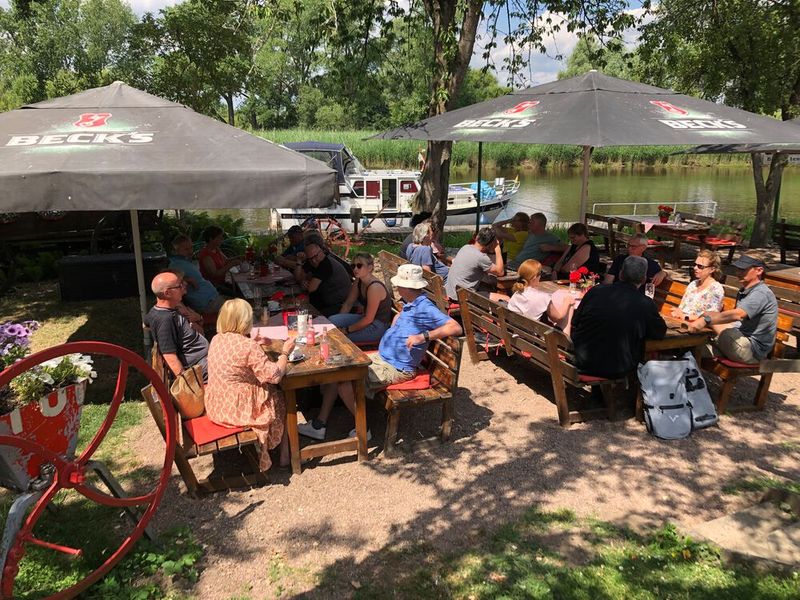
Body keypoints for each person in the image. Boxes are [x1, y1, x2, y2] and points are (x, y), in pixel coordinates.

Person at [298, 264, 462, 441]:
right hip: (382, 359)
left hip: (396, 368)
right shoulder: (411, 303)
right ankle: (319, 425)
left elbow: (455, 327)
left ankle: (363, 428)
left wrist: (423, 336)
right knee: (337, 369)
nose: (397, 288)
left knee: (344, 381)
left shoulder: (424, 307)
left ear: (408, 287)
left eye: (399, 285)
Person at [205, 299, 295, 471]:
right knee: (282, 397)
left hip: (217, 405)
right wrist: (285, 352)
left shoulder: (217, 339)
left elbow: (236, 359)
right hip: (238, 410)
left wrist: (256, 344)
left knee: (273, 391)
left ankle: (283, 452)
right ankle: (286, 455)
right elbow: (274, 375)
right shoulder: (248, 346)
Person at [571, 256, 667, 378]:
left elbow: (576, 321)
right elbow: (659, 332)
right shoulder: (645, 303)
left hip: (582, 359)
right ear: (643, 280)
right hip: (617, 367)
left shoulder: (596, 291)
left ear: (620, 274)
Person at [687, 255, 778, 363]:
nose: (738, 272)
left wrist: (706, 320)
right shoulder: (745, 290)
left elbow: (737, 315)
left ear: (759, 270)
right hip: (738, 342)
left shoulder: (761, 293)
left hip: (751, 351)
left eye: (743, 269)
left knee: (709, 317)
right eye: (738, 268)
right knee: (691, 350)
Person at [144, 271, 209, 380]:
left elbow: (145, 324)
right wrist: (187, 384)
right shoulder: (165, 319)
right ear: (167, 293)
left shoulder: (158, 311)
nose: (184, 286)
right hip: (198, 368)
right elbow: (170, 357)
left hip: (202, 360)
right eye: (179, 286)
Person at [328, 252, 393, 344]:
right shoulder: (359, 280)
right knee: (332, 320)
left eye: (359, 266)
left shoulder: (374, 287)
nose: (355, 269)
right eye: (353, 265)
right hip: (365, 318)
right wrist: (338, 322)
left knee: (341, 338)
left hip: (377, 325)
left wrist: (346, 330)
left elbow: (369, 319)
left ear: (370, 268)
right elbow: (348, 303)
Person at [507, 259, 577, 336]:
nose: (541, 276)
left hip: (517, 335)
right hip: (532, 340)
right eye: (540, 273)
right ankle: (564, 345)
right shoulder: (543, 297)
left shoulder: (517, 293)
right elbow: (558, 317)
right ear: (534, 278)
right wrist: (567, 302)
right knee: (570, 307)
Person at [445, 227, 509, 302]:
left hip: (451, 293)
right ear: (491, 244)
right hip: (461, 298)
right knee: (507, 298)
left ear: (477, 237)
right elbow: (500, 272)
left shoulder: (465, 247)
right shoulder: (481, 257)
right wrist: (497, 248)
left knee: (486, 287)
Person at [293, 235, 351, 316]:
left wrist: (305, 282)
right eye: (310, 258)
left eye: (315, 256)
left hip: (340, 305)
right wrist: (299, 261)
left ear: (321, 251)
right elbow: (298, 277)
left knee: (304, 313)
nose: (314, 260)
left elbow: (311, 288)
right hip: (327, 301)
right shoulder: (313, 260)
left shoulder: (325, 264)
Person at [168, 234, 227, 314]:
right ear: (176, 251)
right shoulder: (175, 264)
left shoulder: (185, 261)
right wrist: (186, 279)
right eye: (186, 249)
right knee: (242, 311)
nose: (190, 251)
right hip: (207, 303)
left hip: (212, 297)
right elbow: (169, 282)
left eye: (191, 247)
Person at [670, 249, 725, 320]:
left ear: (712, 269)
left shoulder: (716, 289)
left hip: (696, 326)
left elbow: (710, 317)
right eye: (695, 265)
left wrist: (686, 317)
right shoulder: (693, 284)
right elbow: (682, 307)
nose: (695, 268)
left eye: (700, 266)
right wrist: (678, 312)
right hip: (681, 320)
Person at [198, 225, 242, 292]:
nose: (222, 239)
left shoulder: (216, 248)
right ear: (211, 239)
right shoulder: (206, 255)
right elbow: (215, 274)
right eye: (219, 237)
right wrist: (232, 264)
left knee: (241, 287)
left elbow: (226, 260)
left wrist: (239, 257)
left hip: (222, 282)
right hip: (213, 286)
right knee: (240, 292)